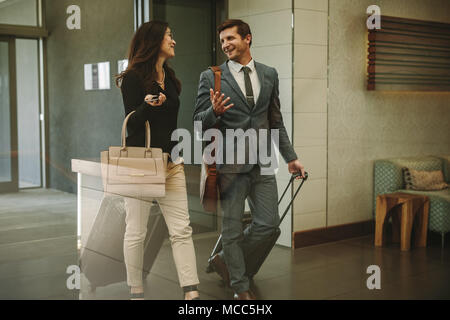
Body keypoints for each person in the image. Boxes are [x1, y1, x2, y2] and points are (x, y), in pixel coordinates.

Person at [193, 19, 306, 300]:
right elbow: (197, 124)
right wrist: (214, 113)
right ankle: (240, 287)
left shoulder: (269, 74)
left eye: (231, 39)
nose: (226, 45)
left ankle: (226, 261)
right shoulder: (212, 76)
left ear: (248, 39)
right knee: (231, 229)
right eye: (222, 42)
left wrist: (290, 158)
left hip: (263, 162)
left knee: (269, 225)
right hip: (229, 166)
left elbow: (275, 120)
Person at [116, 21, 200, 300]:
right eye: (169, 36)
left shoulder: (171, 77)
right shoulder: (132, 78)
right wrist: (147, 105)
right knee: (137, 231)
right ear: (154, 41)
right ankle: (136, 289)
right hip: (141, 164)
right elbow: (132, 124)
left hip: (172, 162)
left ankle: (190, 290)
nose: (173, 41)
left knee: (181, 229)